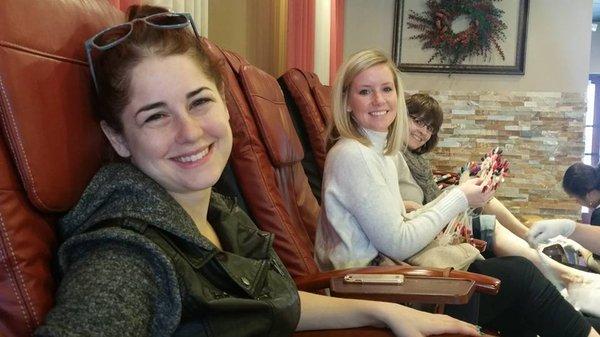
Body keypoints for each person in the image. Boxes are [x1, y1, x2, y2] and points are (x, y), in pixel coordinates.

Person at [34, 6, 482, 337]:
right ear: (117, 138)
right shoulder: (128, 256)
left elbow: (273, 303)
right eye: (155, 116)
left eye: (200, 101)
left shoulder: (219, 213)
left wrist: (384, 312)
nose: (190, 132)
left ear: (223, 104)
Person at [315, 48, 599, 337]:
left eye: (386, 89)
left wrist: (445, 201)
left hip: (390, 277)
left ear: (397, 95)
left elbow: (395, 228)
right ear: (347, 101)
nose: (379, 100)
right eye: (365, 91)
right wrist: (459, 197)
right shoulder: (354, 155)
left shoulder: (380, 150)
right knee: (522, 277)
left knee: (524, 304)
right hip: (372, 290)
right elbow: (399, 243)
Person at [400, 93, 591, 288]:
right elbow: (392, 208)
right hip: (423, 226)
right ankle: (566, 275)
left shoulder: (418, 160)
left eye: (429, 127)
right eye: (417, 121)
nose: (423, 131)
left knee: (484, 196)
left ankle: (532, 239)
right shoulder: (392, 156)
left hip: (433, 218)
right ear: (400, 116)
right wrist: (412, 206)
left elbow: (433, 197)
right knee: (489, 223)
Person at [528, 162, 600, 251]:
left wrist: (584, 251)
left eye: (576, 199)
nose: (577, 202)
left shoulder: (598, 215)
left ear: (590, 195)